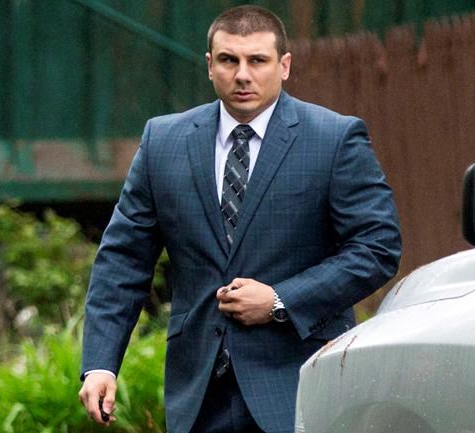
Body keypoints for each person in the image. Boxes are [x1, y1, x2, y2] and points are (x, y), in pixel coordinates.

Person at [78, 5, 401, 433]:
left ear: (284, 65)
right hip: (198, 395)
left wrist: (281, 300)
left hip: (298, 385)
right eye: (229, 60)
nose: (243, 75)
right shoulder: (163, 141)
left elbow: (377, 248)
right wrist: (100, 364)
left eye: (258, 60)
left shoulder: (333, 138)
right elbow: (123, 259)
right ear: (210, 65)